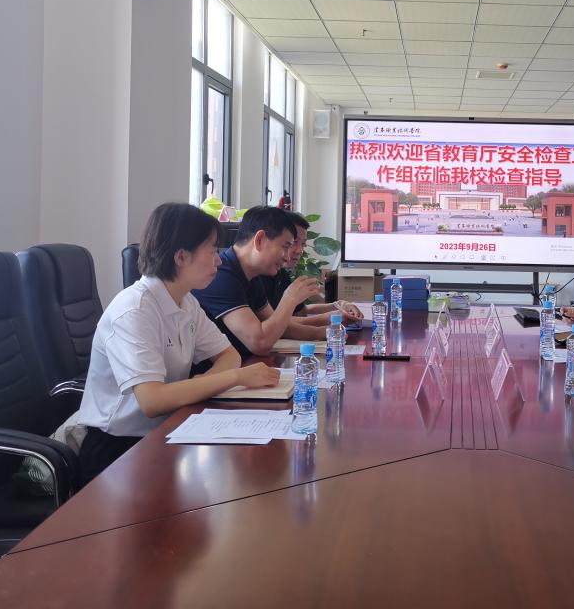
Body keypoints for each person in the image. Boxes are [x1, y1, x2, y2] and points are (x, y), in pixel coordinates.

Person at [78, 203, 281, 482]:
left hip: (170, 428)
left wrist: (203, 385)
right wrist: (233, 378)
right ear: (181, 257)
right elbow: (153, 400)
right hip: (118, 450)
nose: (219, 261)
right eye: (212, 251)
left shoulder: (186, 301)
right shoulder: (134, 310)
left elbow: (229, 355)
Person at [193, 206, 321, 357]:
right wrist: (290, 299)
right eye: (285, 247)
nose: (287, 257)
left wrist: (324, 332)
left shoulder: (252, 275)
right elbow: (260, 343)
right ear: (259, 240)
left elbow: (279, 326)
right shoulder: (221, 276)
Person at [261, 211, 363, 341]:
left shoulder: (280, 273)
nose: (299, 250)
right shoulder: (257, 276)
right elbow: (276, 323)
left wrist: (339, 304)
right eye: (292, 243)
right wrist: (327, 320)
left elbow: (300, 312)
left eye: (303, 244)